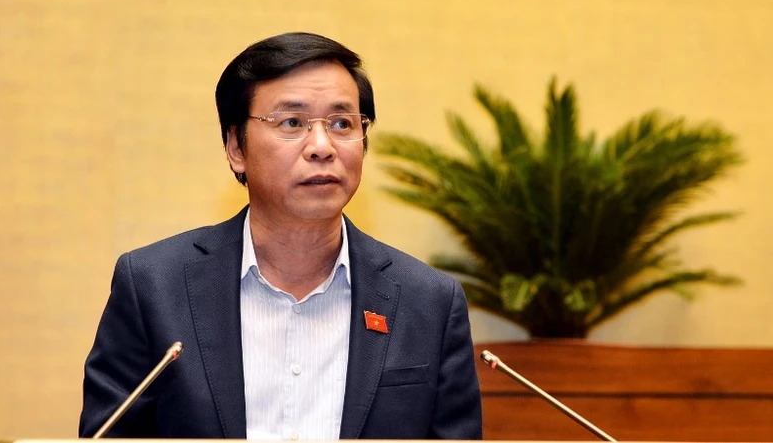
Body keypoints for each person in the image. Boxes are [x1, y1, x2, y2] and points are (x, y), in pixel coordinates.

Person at [78, 32, 483, 439]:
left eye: (342, 123)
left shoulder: (428, 302)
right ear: (236, 147)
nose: (322, 146)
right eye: (292, 123)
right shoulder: (152, 288)